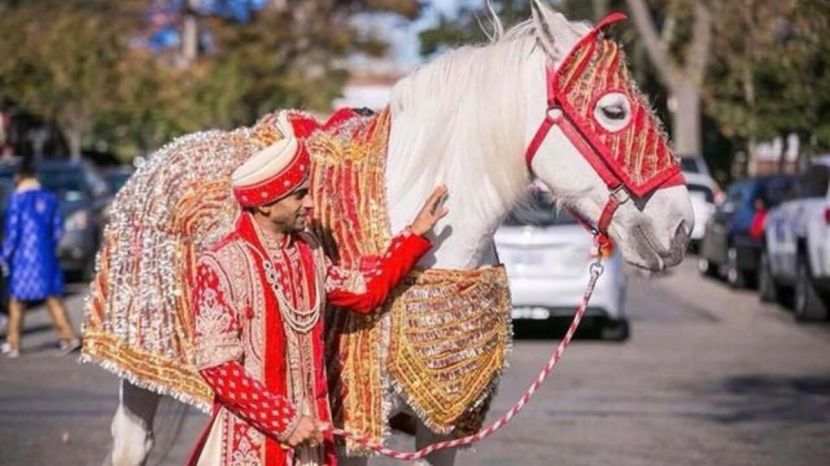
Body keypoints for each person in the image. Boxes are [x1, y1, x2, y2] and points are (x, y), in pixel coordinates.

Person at [187, 135, 448, 466]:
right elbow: (217, 366)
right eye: (299, 195)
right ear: (265, 204)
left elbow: (364, 292)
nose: (310, 204)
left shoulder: (308, 251)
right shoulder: (222, 263)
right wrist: (284, 422)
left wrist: (414, 236)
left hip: (310, 443)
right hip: (249, 446)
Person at [0, 161, 80, 358]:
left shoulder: (17, 201)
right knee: (53, 298)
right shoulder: (50, 199)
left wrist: (4, 256)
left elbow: (13, 233)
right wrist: (49, 248)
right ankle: (69, 337)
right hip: (46, 257)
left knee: (17, 301)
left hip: (23, 258)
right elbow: (58, 229)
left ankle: (13, 343)